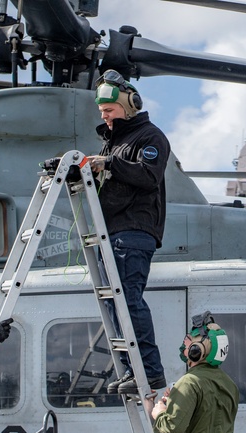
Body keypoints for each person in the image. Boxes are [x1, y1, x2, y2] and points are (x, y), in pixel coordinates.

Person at [87, 69, 170, 395]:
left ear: (129, 105)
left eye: (109, 110)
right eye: (102, 112)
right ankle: (129, 369)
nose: (105, 117)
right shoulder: (113, 143)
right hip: (111, 230)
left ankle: (149, 374)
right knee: (112, 304)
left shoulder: (149, 138)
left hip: (133, 230)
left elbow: (148, 176)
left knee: (128, 299)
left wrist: (108, 164)